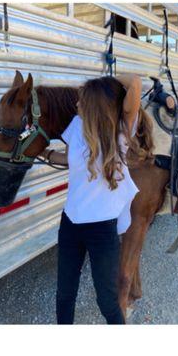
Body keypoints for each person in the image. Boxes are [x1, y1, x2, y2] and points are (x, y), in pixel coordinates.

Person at [39, 74, 146, 324]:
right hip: (71, 223)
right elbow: (72, 160)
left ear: (95, 103)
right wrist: (44, 154)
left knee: (107, 301)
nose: (77, 104)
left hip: (101, 229)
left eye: (82, 100)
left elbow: (136, 83)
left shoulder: (121, 130)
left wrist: (101, 81)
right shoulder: (77, 125)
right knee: (64, 295)